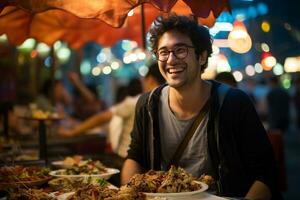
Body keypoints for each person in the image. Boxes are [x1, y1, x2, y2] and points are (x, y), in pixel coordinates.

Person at [121, 14, 282, 200]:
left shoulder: (234, 103)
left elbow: (266, 175)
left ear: (202, 56)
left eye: (180, 50)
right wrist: (129, 193)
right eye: (163, 52)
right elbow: (135, 157)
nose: (171, 60)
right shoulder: (148, 105)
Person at [58, 62, 165, 158]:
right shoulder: (168, 102)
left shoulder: (136, 102)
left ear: (150, 80)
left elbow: (102, 117)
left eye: (144, 81)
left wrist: (72, 132)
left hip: (127, 159)